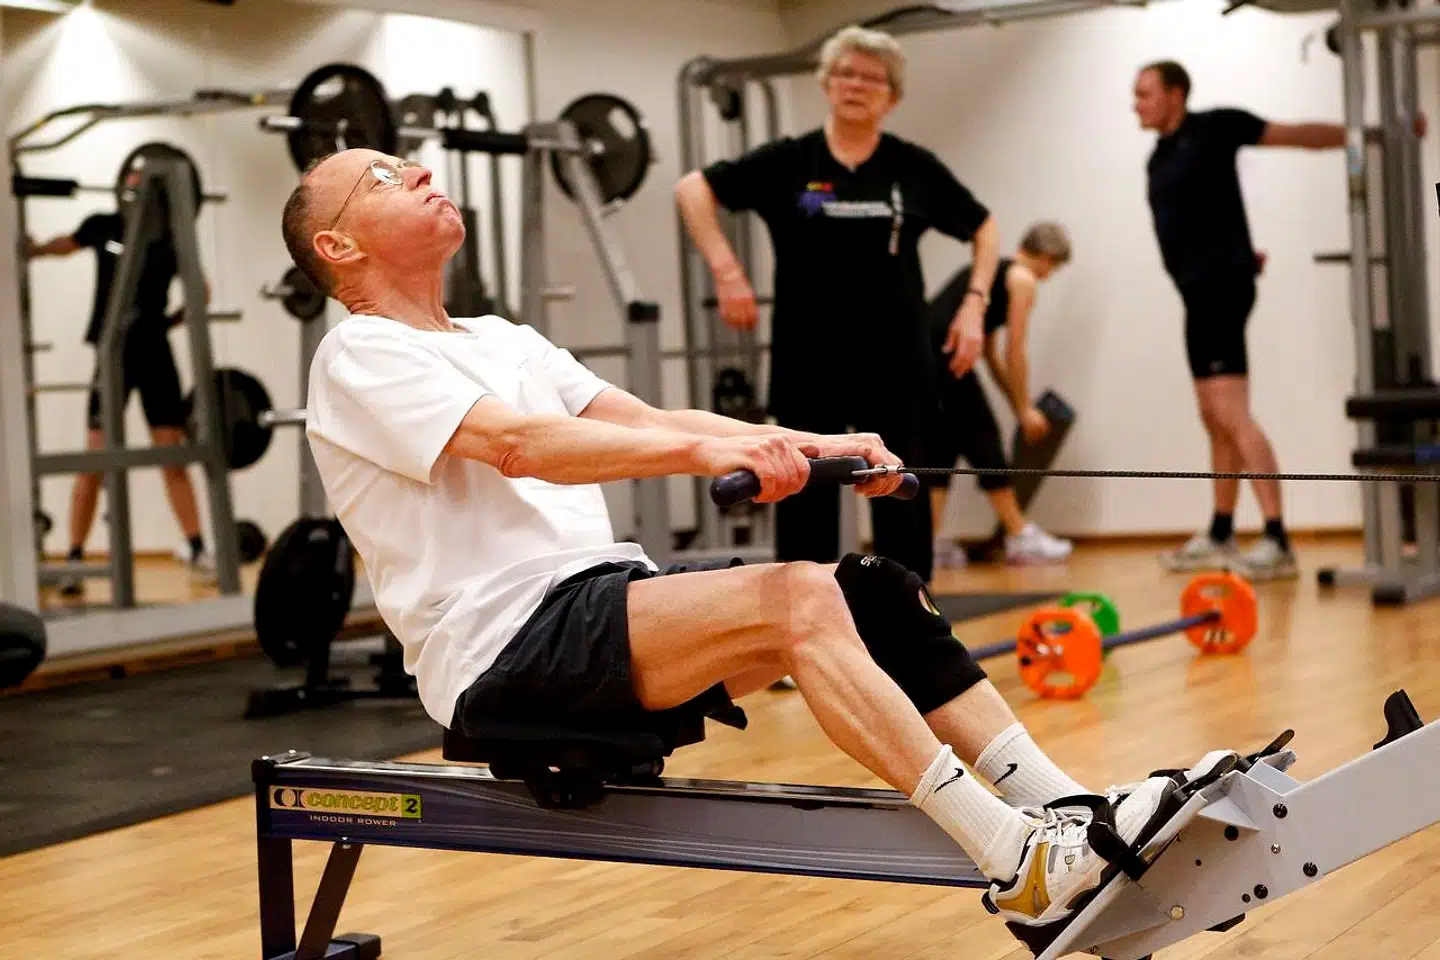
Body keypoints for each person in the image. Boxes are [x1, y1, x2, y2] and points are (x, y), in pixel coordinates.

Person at [279, 145, 1241, 954]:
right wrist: (709, 455)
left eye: (410, 163)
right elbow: (519, 446)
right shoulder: (361, 353)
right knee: (794, 596)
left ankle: (1074, 814)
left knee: (873, 589)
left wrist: (823, 446)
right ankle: (1017, 863)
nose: (420, 172)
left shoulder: (503, 339)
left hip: (596, 607)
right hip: (501, 652)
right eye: (383, 177)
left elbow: (650, 420)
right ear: (338, 246)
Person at [675, 25, 1000, 584]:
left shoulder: (912, 168)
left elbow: (984, 227)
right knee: (803, 494)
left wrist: (974, 305)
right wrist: (727, 272)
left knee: (900, 496)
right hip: (808, 355)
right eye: (846, 74)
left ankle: (903, 616)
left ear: (892, 97)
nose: (856, 85)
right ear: (827, 84)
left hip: (897, 358)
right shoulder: (790, 160)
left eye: (872, 79)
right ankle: (804, 614)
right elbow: (692, 189)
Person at [1134, 60, 1424, 580]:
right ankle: (1221, 531)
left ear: (1175, 94)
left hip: (1221, 293)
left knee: (1232, 414)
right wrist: (1239, 251)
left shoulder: (1217, 127)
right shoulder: (1159, 155)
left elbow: (1299, 136)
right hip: (1199, 296)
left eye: (1145, 93)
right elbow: (1199, 220)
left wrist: (1374, 133)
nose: (1136, 104)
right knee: (1213, 417)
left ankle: (1276, 539)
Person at [26, 183, 213, 593]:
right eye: (131, 180)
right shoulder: (102, 225)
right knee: (94, 457)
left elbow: (202, 291)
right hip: (111, 351)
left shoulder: (170, 237)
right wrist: (34, 250)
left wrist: (169, 322)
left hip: (154, 353)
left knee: (173, 453)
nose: (135, 187)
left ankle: (198, 549)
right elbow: (66, 245)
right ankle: (75, 559)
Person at [925, 223, 1075, 568]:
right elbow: (1014, 353)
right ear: (1047, 257)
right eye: (1053, 267)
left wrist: (1019, 405)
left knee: (943, 447)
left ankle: (930, 541)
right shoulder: (1022, 278)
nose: (1049, 275)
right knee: (985, 440)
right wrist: (1024, 409)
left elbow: (991, 355)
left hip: (928, 362)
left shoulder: (994, 274)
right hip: (947, 361)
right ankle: (1019, 537)